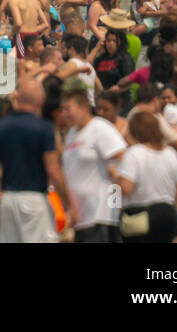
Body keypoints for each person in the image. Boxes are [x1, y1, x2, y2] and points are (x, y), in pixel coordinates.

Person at [0, 77, 72, 243]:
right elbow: (52, 169)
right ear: (41, 100)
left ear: (18, 98)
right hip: (34, 199)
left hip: (7, 199)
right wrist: (68, 202)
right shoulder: (44, 128)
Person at [59, 84, 126, 243]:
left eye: (68, 108)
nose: (64, 114)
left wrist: (116, 202)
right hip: (80, 217)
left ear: (84, 107)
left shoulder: (100, 128)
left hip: (101, 214)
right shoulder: (71, 135)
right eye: (62, 109)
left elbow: (123, 157)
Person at [115, 111, 177, 243]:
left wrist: (114, 180)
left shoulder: (134, 153)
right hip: (169, 215)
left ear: (135, 132)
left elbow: (126, 188)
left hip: (140, 219)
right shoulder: (171, 153)